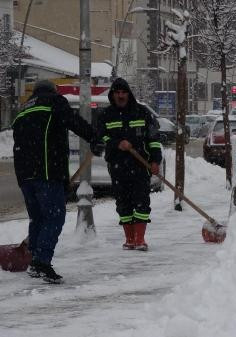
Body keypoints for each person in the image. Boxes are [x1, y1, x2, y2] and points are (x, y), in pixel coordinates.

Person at [12, 80, 103, 284]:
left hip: (25, 176)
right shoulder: (54, 101)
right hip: (46, 172)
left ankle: (35, 259)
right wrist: (94, 138)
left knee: (38, 218)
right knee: (54, 217)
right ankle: (41, 262)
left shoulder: (23, 110)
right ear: (53, 91)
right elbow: (73, 121)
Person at [97, 78, 162, 251]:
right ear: (112, 94)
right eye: (117, 93)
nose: (120, 96)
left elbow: (153, 139)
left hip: (140, 165)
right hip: (117, 166)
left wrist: (155, 160)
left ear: (128, 94)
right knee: (123, 203)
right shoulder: (105, 115)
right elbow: (100, 136)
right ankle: (130, 239)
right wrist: (116, 143)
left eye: (123, 92)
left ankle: (140, 238)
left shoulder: (141, 113)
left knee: (141, 201)